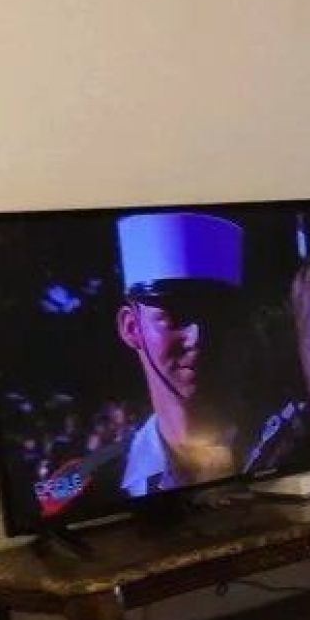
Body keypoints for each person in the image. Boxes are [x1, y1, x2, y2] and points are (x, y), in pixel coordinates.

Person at [111, 211, 249, 495]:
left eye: (216, 315)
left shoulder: (285, 445)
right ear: (131, 328)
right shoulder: (103, 482)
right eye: (174, 314)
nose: (197, 337)